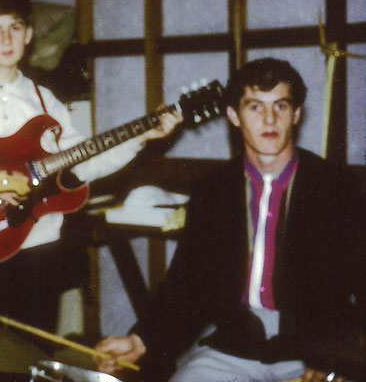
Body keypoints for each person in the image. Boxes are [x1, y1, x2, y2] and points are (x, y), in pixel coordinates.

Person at [0, 0, 182, 335]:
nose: (5, 39)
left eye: (15, 27)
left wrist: (141, 137)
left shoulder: (45, 102)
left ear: (28, 35)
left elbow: (84, 162)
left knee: (35, 356)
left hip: (41, 249)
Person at [95, 58, 365, 382]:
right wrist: (138, 340)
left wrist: (334, 361)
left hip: (312, 354)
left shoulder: (335, 186)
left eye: (280, 106)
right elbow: (186, 284)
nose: (269, 119)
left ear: (296, 114)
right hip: (234, 349)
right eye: (254, 107)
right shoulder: (213, 192)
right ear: (234, 116)